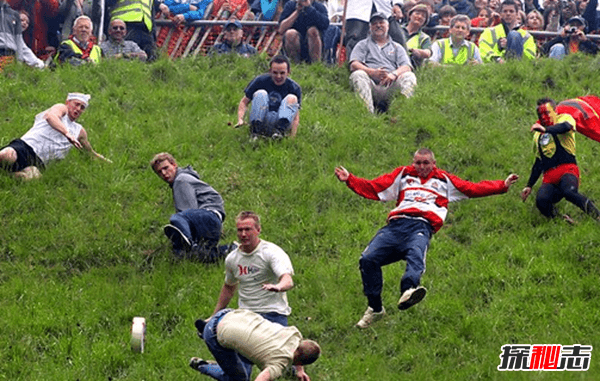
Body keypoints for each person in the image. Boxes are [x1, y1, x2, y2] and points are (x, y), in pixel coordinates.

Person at [334, 148, 519, 328]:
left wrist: (502, 186)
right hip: (396, 225)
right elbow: (375, 188)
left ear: (434, 163)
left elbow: (472, 188)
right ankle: (375, 309)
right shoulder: (403, 174)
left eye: (426, 163)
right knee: (367, 259)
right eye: (418, 163)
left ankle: (409, 290)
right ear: (413, 162)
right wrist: (350, 180)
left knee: (416, 254)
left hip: (421, 226)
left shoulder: (445, 180)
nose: (421, 167)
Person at [208, 211, 310, 379]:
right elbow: (228, 287)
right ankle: (210, 368)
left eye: (247, 229)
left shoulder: (271, 253)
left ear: (258, 230)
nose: (243, 234)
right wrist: (213, 315)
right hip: (246, 318)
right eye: (239, 230)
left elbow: (287, 280)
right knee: (241, 374)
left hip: (272, 313)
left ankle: (298, 373)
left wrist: (278, 287)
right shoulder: (233, 259)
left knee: (285, 368)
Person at [521, 98, 600, 222]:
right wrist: (529, 185)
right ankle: (562, 220)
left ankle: (597, 215)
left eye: (546, 113)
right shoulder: (537, 135)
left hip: (567, 170)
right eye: (540, 114)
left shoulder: (564, 118)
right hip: (549, 177)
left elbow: (565, 127)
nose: (543, 117)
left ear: (555, 111)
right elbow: (538, 162)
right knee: (541, 201)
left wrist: (546, 129)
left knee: (569, 192)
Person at [0, 93, 111, 180]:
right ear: (68, 102)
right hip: (25, 147)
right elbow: (51, 117)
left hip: (40, 162)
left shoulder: (79, 131)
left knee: (32, 178)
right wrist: (67, 134)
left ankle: (8, 174)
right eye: (76, 104)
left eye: (82, 107)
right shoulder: (61, 108)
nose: (78, 109)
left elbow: (89, 152)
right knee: (7, 155)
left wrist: (106, 162)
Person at [190, 309, 320, 381]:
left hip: (229, 314)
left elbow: (301, 349)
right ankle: (203, 366)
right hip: (214, 334)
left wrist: (299, 370)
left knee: (251, 356)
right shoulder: (279, 362)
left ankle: (205, 327)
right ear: (300, 361)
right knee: (240, 379)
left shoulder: (294, 333)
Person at [150, 152, 234, 261]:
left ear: (174, 164)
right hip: (213, 223)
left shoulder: (181, 180)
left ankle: (186, 243)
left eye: (166, 168)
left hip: (207, 217)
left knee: (177, 219)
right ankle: (227, 250)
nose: (164, 173)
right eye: (159, 172)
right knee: (194, 256)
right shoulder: (187, 178)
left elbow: (188, 211)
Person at [349, 13, 416, 114]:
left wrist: (393, 75)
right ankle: (367, 115)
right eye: (374, 23)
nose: (378, 25)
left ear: (388, 26)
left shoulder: (397, 47)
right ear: (370, 27)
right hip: (371, 84)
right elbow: (354, 64)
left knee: (409, 76)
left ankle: (400, 114)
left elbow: (407, 66)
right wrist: (372, 72)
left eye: (381, 22)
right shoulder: (362, 44)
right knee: (357, 74)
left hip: (391, 86)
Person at [235, 55, 301, 139]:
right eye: (275, 73)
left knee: (292, 98)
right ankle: (255, 132)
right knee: (260, 93)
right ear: (270, 71)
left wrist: (292, 136)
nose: (278, 76)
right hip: (261, 118)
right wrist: (240, 119)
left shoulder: (294, 87)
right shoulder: (260, 81)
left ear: (288, 72)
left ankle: (279, 133)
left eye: (282, 73)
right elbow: (244, 102)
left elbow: (295, 115)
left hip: (280, 120)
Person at [0, 0, 44, 70]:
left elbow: (20, 44)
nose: (24, 23)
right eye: (22, 20)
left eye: (27, 22)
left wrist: (38, 64)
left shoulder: (12, 14)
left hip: (9, 59)